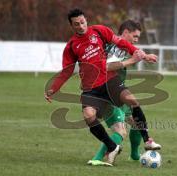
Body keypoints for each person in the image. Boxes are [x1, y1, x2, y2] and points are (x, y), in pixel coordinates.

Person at [44, 8, 155, 165]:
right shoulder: (72, 46)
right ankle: (109, 151)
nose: (81, 26)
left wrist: (143, 55)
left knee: (133, 119)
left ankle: (138, 150)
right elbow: (67, 71)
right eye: (77, 24)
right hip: (94, 88)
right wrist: (53, 88)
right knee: (103, 122)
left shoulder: (100, 32)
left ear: (86, 21)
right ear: (72, 26)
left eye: (82, 22)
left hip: (112, 84)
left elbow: (122, 45)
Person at [87, 20, 161, 166]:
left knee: (135, 122)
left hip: (118, 92)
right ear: (125, 32)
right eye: (135, 36)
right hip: (105, 93)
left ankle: (134, 155)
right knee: (121, 131)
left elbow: (133, 50)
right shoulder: (113, 47)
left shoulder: (122, 46)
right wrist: (133, 60)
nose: (136, 40)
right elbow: (107, 67)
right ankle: (97, 158)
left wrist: (145, 56)